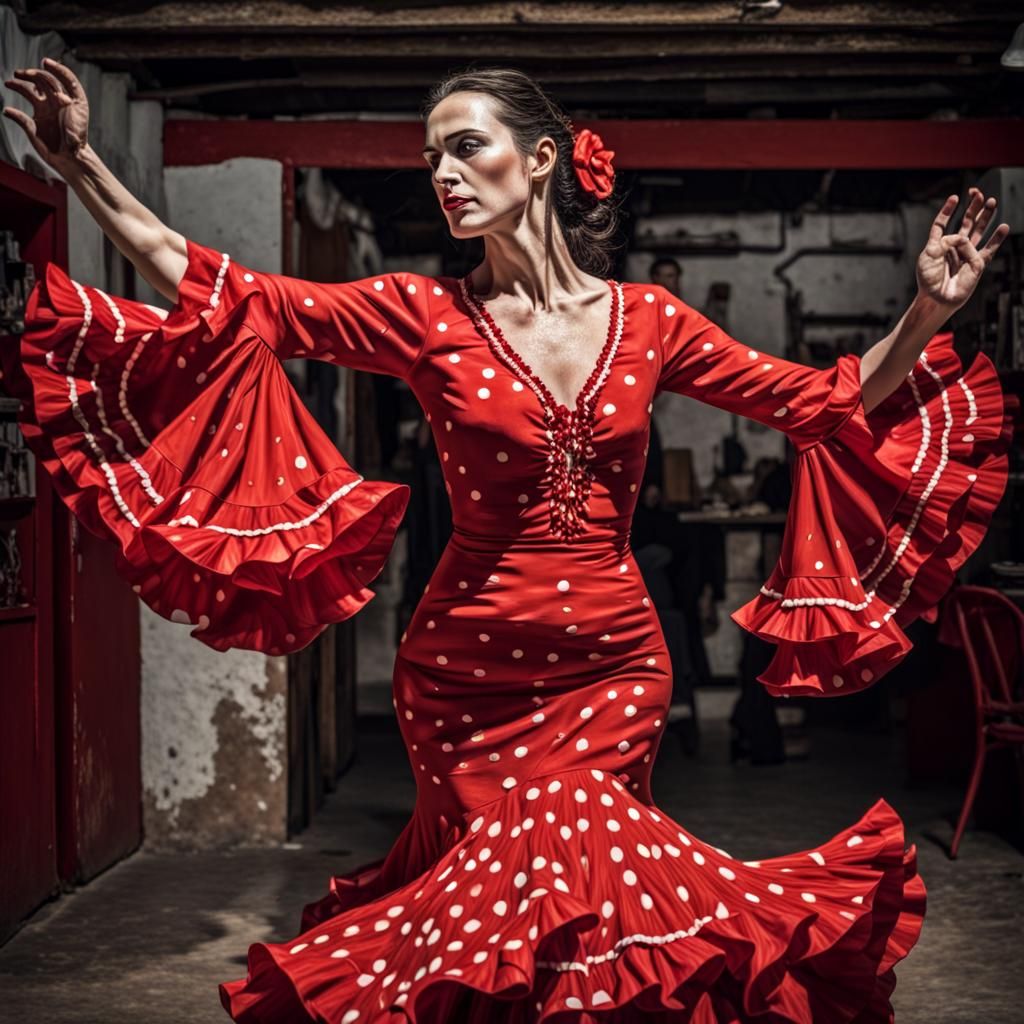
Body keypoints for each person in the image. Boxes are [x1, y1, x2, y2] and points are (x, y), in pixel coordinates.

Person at [2, 58, 1013, 1023]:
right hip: (465, 677)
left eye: (464, 147)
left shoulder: (650, 320)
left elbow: (823, 403)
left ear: (540, 158)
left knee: (589, 898)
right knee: (492, 917)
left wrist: (930, 305)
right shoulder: (421, 313)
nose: (441, 173)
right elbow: (230, 291)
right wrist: (81, 164)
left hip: (614, 664)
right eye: (430, 157)